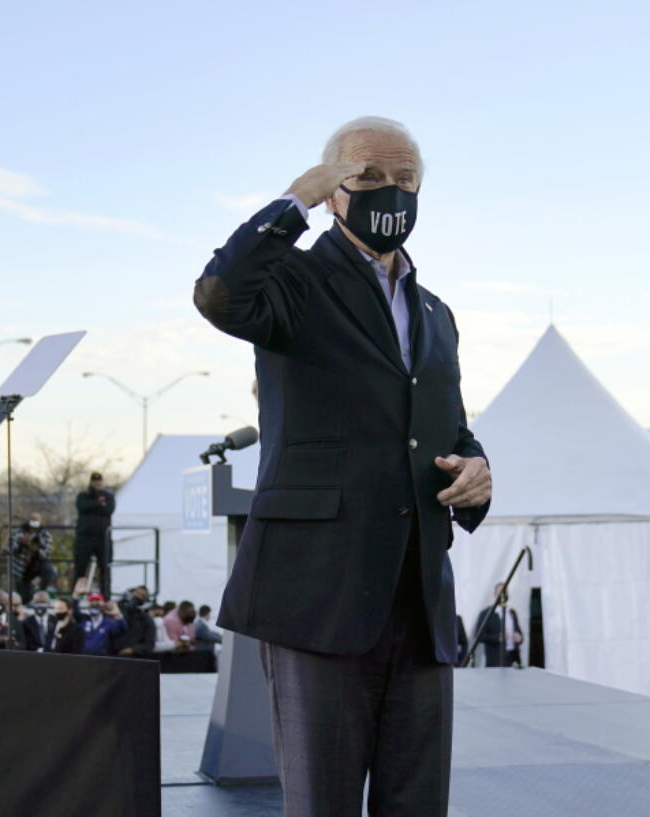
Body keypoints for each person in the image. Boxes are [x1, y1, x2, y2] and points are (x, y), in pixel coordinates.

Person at [193, 116, 492, 816]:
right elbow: (219, 295)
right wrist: (292, 201)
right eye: (369, 177)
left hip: (418, 599)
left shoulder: (436, 312)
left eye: (406, 180)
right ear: (334, 191)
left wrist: (476, 470)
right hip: (317, 595)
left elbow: (445, 428)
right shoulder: (293, 280)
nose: (391, 192)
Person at [74, 472, 116, 596]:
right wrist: (98, 504)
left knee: (105, 569)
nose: (97, 484)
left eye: (99, 481)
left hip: (102, 537)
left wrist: (94, 507)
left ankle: (106, 596)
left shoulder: (108, 496)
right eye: (95, 481)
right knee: (80, 569)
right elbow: (82, 507)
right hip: (85, 537)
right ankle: (76, 595)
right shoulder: (83, 495)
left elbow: (109, 509)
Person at [10, 513, 57, 601]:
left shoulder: (45, 534)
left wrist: (35, 547)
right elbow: (11, 549)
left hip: (38, 563)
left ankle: (42, 592)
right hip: (23, 567)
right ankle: (26, 598)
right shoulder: (20, 533)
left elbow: (47, 552)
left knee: (48, 570)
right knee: (24, 596)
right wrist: (21, 543)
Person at [475, 583, 523, 667]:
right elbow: (479, 636)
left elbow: (519, 632)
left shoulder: (512, 612)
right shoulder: (486, 613)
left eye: (505, 592)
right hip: (496, 659)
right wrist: (499, 637)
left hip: (513, 658)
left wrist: (520, 638)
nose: (503, 595)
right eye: (500, 592)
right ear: (495, 594)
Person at [113, 586, 157, 658]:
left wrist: (132, 649)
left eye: (142, 595)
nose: (137, 596)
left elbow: (149, 644)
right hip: (113, 655)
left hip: (134, 658)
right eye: (137, 593)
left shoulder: (147, 620)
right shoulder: (120, 613)